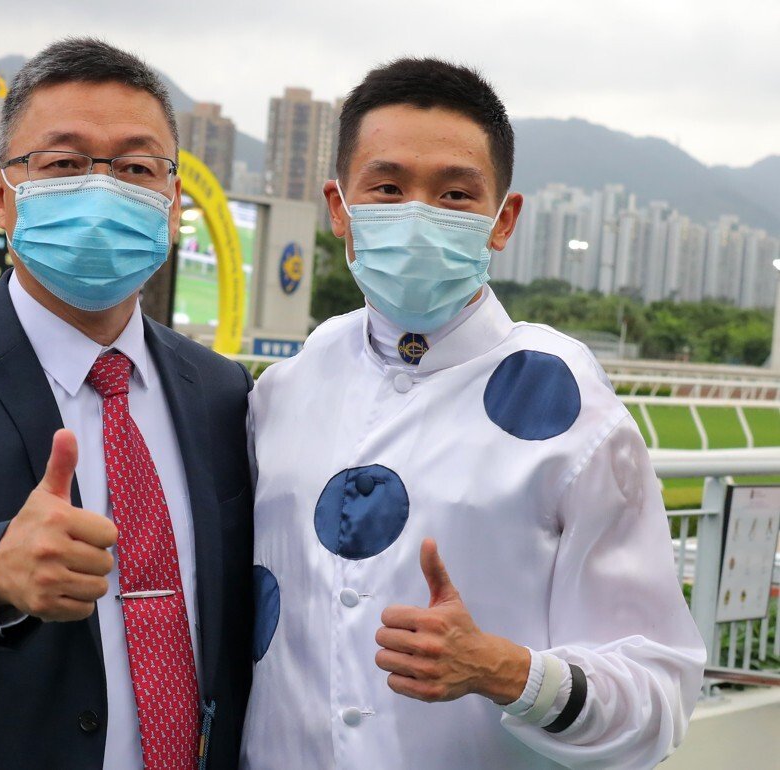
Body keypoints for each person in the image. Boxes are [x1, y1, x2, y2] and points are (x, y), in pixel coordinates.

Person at [241, 58, 706, 770]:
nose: (420, 215)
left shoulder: (573, 408)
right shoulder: (284, 391)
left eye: (456, 194)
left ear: (502, 219)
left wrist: (507, 672)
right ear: (341, 208)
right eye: (389, 188)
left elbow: (659, 692)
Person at [0, 37, 254, 770]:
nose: (103, 189)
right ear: (2, 197)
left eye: (135, 167)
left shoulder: (222, 391)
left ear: (171, 201)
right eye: (65, 164)